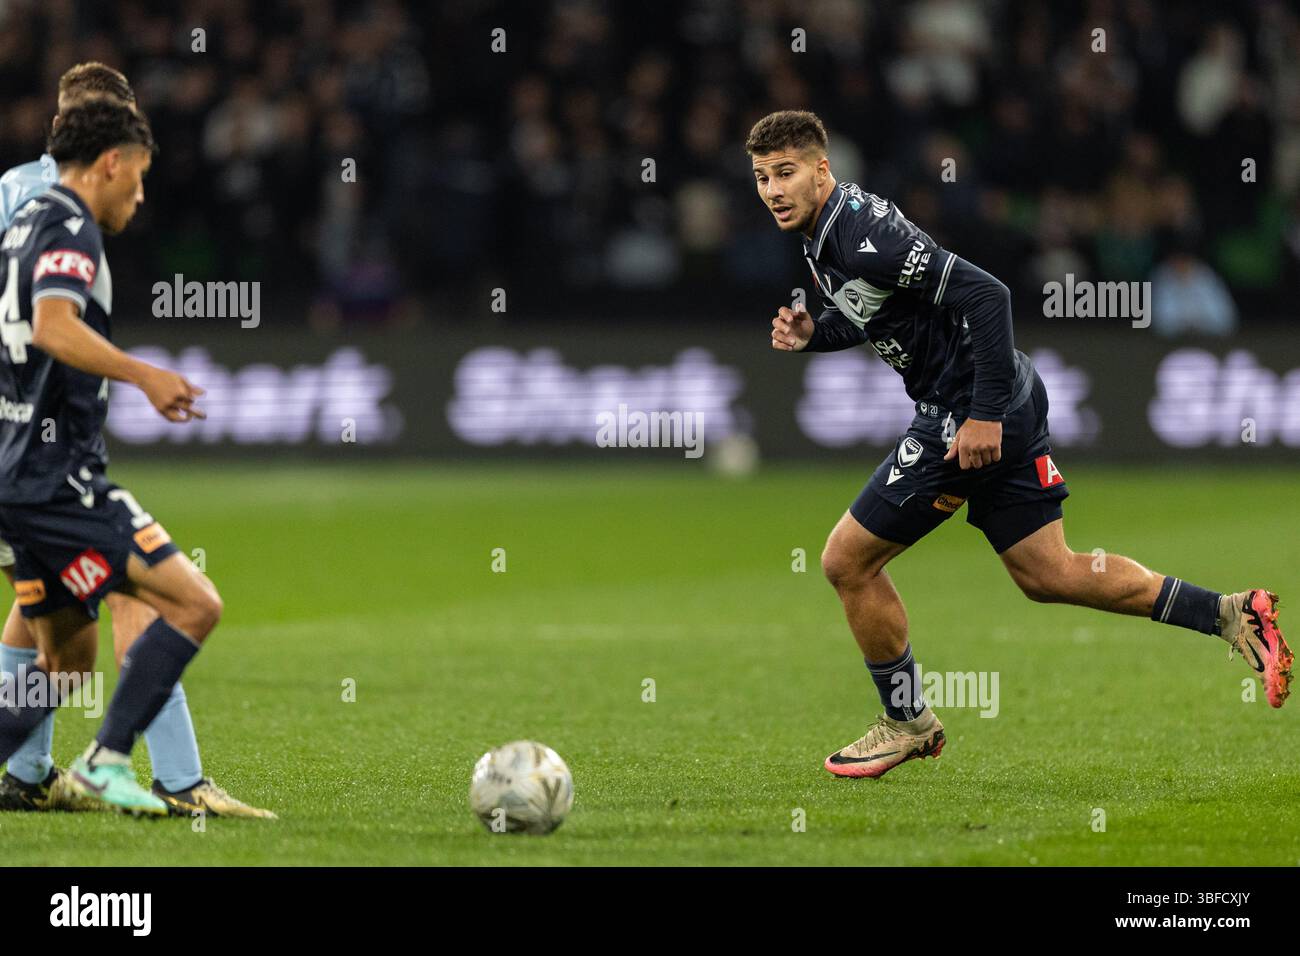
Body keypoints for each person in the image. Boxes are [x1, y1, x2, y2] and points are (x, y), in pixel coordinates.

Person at [748, 110, 1291, 778]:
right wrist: (816, 334)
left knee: (845, 562)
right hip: (1005, 397)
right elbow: (875, 311)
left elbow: (988, 294)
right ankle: (1233, 614)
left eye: (787, 172)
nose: (774, 188)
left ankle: (907, 721)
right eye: (763, 177)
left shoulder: (863, 234)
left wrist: (981, 416)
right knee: (1050, 573)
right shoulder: (825, 231)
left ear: (822, 169)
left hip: (969, 410)